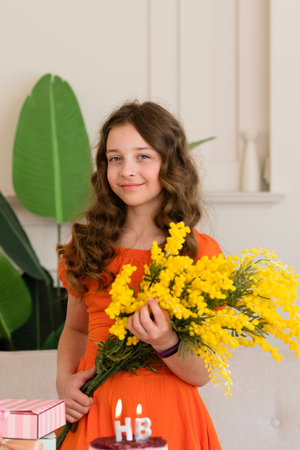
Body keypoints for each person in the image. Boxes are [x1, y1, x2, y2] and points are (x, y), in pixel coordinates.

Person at [56, 100, 222, 450]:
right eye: (115, 158)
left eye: (143, 156)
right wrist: (64, 383)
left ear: (171, 163)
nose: (127, 170)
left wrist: (165, 342)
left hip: (170, 418)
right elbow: (75, 328)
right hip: (95, 411)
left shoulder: (197, 253)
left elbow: (201, 374)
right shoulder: (86, 246)